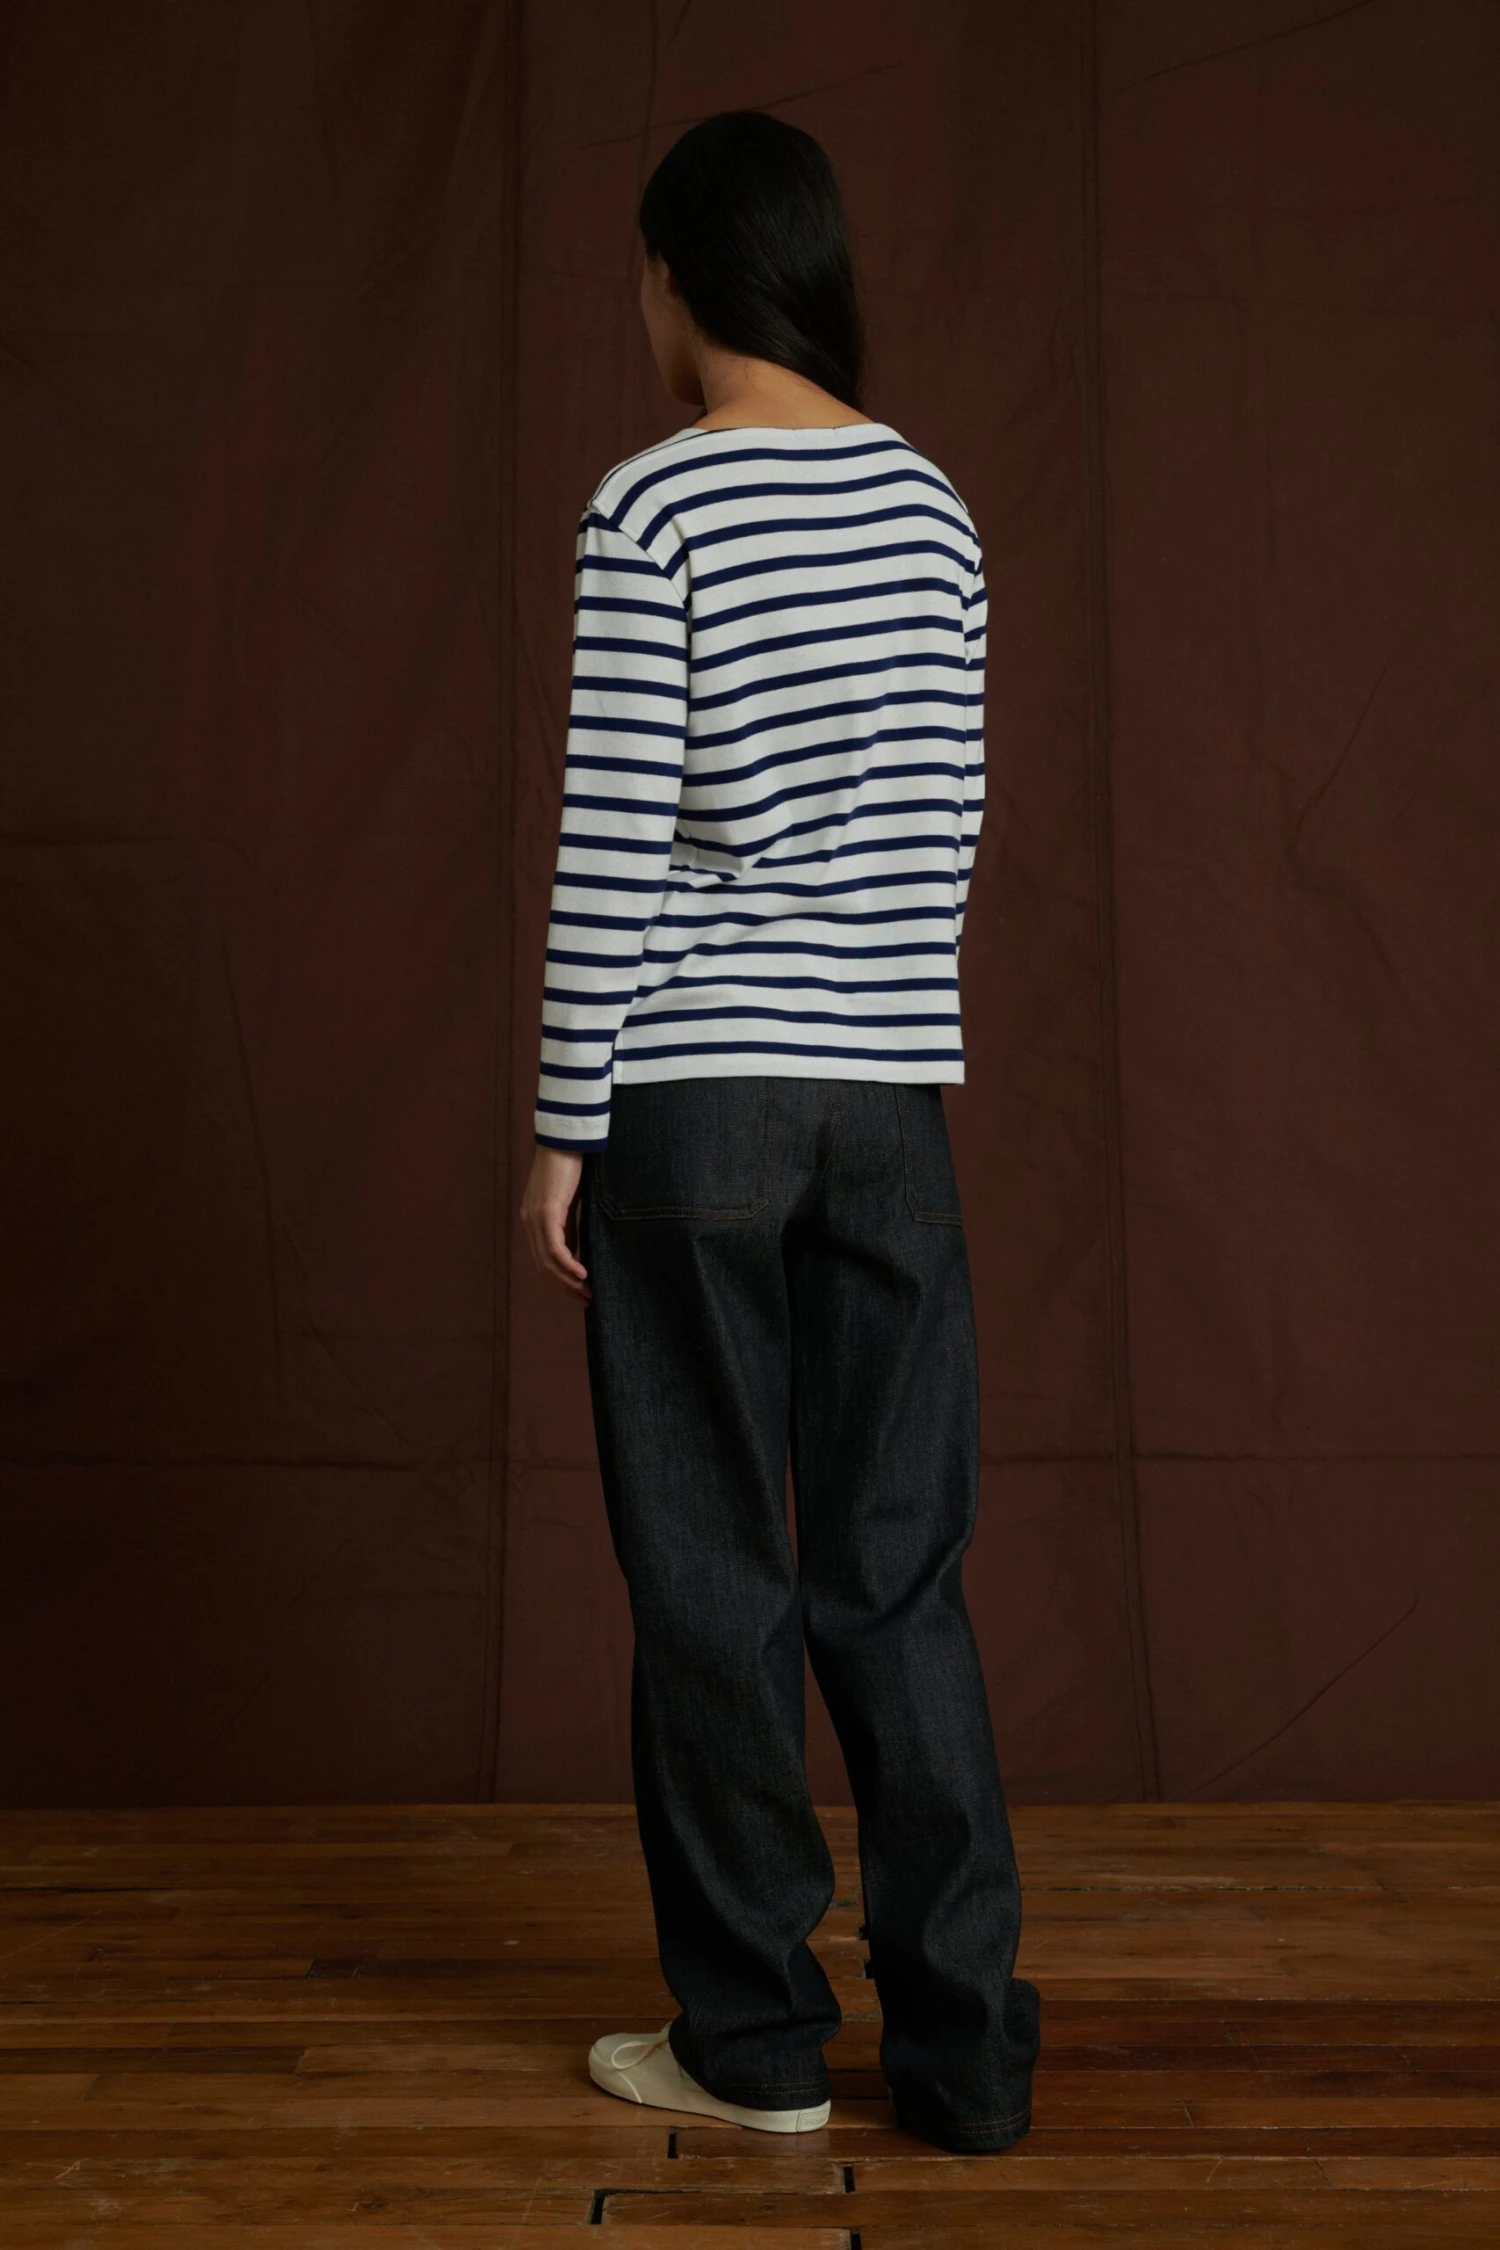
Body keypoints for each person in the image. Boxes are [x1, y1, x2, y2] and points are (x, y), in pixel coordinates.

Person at [519, 108, 1040, 2156]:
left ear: (681, 276)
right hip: (889, 1101)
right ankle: (965, 2059)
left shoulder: (654, 506)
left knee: (713, 1576)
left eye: (643, 277)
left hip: (696, 1098)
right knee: (899, 1578)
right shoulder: (936, 511)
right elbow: (950, 828)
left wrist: (563, 1120)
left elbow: (613, 844)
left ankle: (753, 2047)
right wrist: (880, 1023)